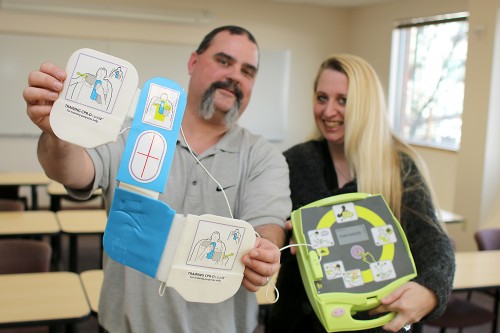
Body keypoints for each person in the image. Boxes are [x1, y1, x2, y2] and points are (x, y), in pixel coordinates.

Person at [23, 25, 292, 332]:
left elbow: (268, 224)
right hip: (125, 324)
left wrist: (264, 251)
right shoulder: (135, 129)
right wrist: (57, 131)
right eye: (224, 61)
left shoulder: (264, 156)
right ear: (193, 63)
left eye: (248, 71)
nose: (235, 76)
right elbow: (71, 171)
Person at [268, 54, 455, 333]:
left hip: (378, 323)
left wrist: (430, 291)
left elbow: (433, 242)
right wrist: (283, 236)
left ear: (366, 105)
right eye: (322, 98)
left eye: (343, 100)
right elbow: (271, 234)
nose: (329, 111)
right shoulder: (294, 161)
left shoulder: (399, 167)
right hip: (300, 322)